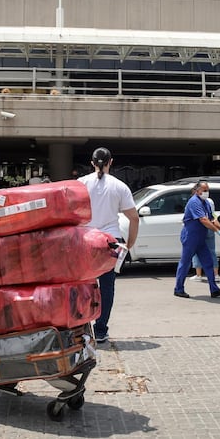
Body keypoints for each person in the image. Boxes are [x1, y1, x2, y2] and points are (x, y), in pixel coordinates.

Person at [78, 147, 139, 344]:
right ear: (111, 162)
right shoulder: (119, 186)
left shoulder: (81, 184)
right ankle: (101, 329)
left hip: (86, 240)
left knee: (83, 286)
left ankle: (81, 326)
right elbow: (134, 218)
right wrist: (129, 243)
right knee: (107, 287)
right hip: (110, 241)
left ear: (92, 162)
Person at [172, 180, 220, 300]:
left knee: (208, 262)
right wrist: (217, 231)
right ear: (197, 191)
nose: (206, 192)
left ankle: (214, 289)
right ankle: (178, 289)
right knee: (185, 263)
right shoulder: (194, 202)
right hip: (191, 237)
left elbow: (212, 219)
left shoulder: (206, 203)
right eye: (204, 190)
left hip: (200, 238)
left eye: (208, 190)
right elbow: (203, 220)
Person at [190, 194, 220, 282]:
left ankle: (198, 275)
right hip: (210, 226)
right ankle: (216, 274)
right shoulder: (210, 201)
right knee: (211, 251)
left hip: (200, 227)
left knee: (197, 251)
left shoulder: (195, 202)